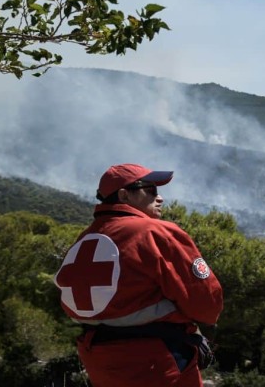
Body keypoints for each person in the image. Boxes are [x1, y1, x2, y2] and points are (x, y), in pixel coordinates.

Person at [54, 163, 223, 387]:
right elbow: (205, 300)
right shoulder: (155, 232)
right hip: (157, 360)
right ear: (124, 195)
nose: (160, 197)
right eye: (150, 190)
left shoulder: (85, 238)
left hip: (98, 358)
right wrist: (206, 328)